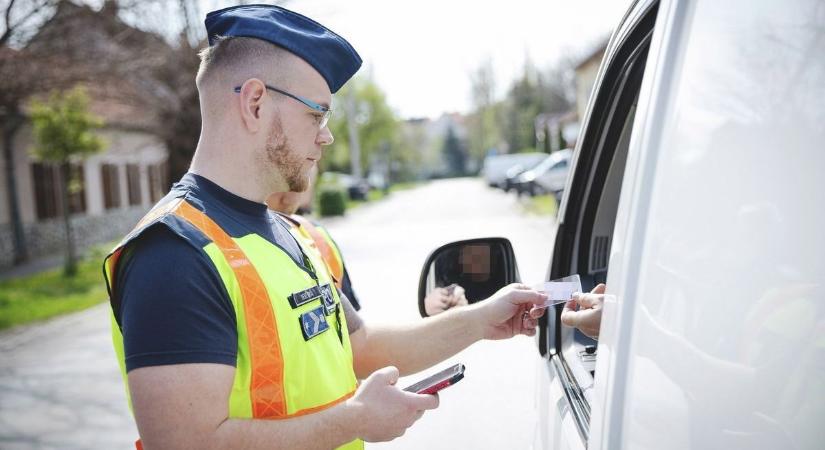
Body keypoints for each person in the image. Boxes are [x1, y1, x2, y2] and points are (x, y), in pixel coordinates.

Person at [101, 5, 548, 449]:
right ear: (255, 104)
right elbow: (190, 444)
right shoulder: (175, 253)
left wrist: (482, 318)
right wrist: (353, 421)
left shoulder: (288, 233)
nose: (326, 135)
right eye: (317, 114)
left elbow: (363, 347)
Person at [267, 166, 361, 310]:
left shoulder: (318, 236)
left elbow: (354, 329)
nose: (289, 199)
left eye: (299, 185)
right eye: (281, 181)